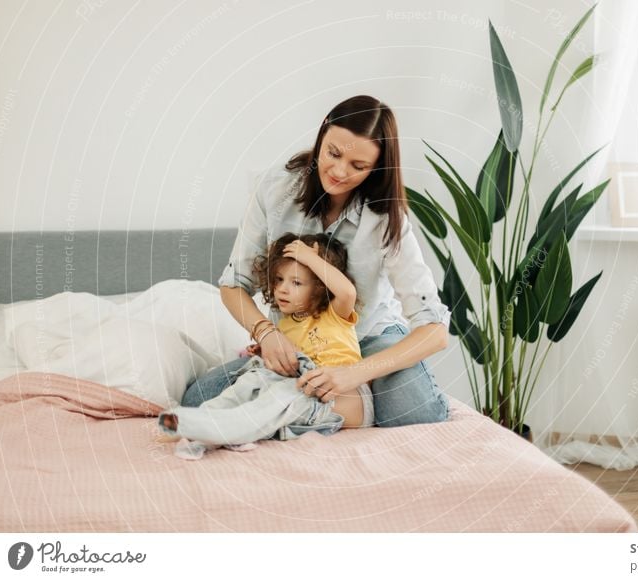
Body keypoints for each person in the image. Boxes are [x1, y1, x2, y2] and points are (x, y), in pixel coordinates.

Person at [181, 94, 451, 427]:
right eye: (333, 153)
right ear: (322, 134)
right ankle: (349, 401)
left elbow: (435, 330)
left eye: (359, 166)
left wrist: (353, 373)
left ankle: (360, 391)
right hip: (299, 340)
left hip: (370, 337)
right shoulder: (276, 187)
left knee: (415, 413)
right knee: (196, 401)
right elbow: (234, 284)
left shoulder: (385, 217)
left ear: (378, 167)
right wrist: (266, 334)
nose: (339, 171)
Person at [158, 233, 374, 459]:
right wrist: (264, 352)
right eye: (279, 279)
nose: (282, 289)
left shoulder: (335, 313)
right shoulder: (285, 324)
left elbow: (347, 291)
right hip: (305, 390)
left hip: (344, 399)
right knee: (252, 380)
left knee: (280, 393)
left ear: (321, 287)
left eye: (296, 282)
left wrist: (310, 259)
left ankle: (222, 428)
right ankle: (201, 427)